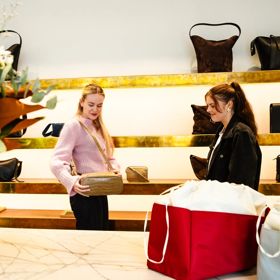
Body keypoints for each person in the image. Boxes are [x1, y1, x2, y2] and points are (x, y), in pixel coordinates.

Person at [50, 84, 120, 230]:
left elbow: (108, 156)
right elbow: (56, 161)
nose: (95, 109)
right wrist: (71, 181)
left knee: (101, 235)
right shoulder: (73, 126)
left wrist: (115, 169)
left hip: (100, 189)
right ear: (82, 102)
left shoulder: (98, 126)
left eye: (100, 105)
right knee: (89, 239)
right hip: (84, 190)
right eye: (91, 104)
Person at [204, 81, 261, 190]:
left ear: (229, 105)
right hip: (219, 203)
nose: (208, 110)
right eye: (208, 106)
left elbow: (242, 184)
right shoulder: (221, 131)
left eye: (212, 105)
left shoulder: (241, 133)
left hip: (232, 205)